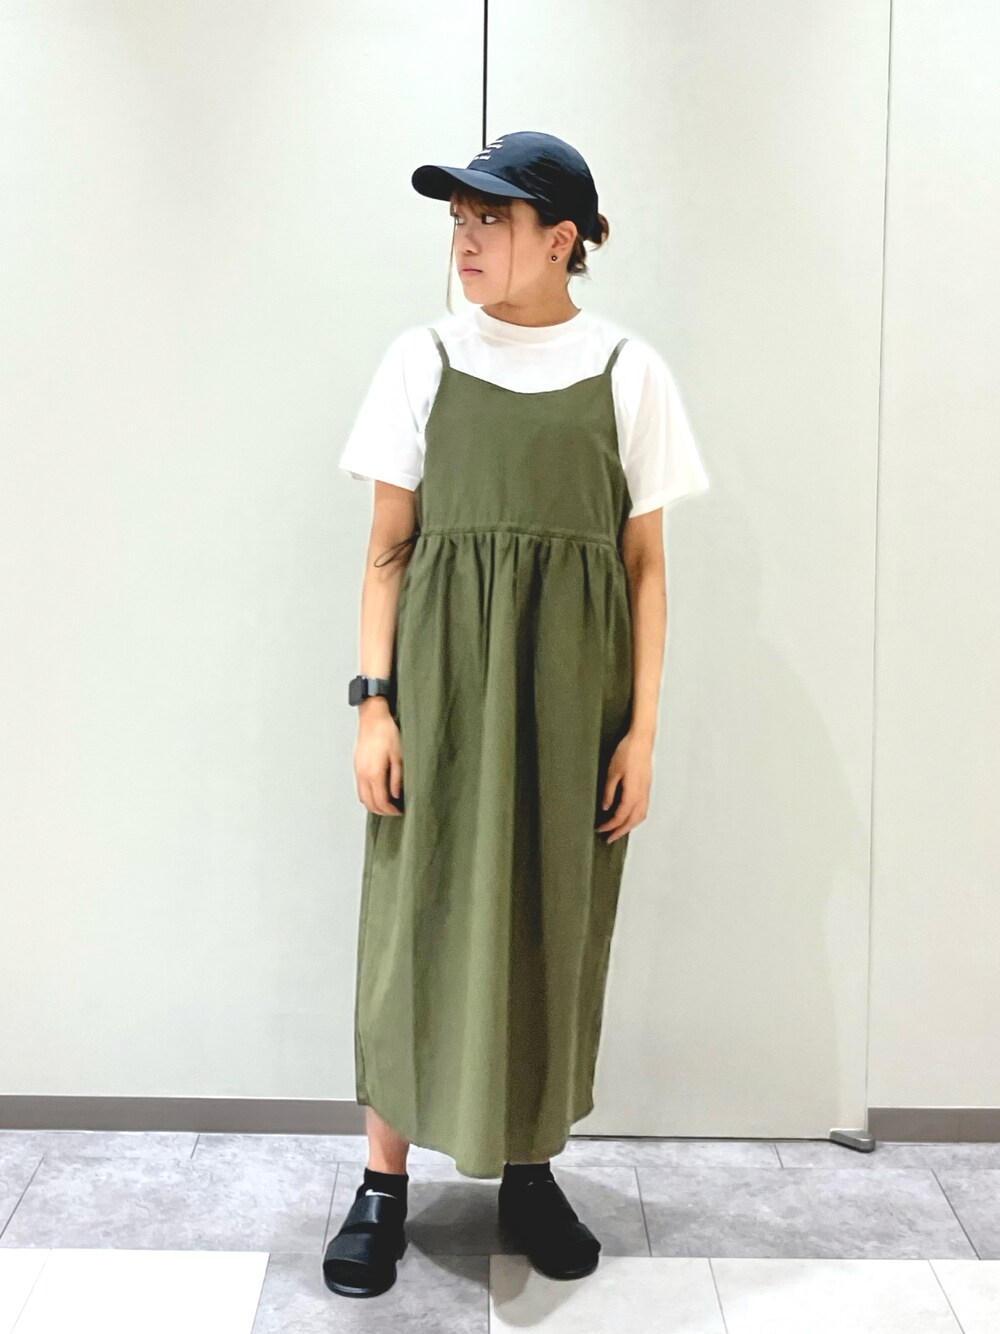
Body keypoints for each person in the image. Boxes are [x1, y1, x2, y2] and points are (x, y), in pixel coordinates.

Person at [323, 130, 709, 1299]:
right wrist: (373, 705)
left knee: (552, 921)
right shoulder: (422, 359)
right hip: (439, 692)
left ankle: (531, 1169)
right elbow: (387, 549)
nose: (466, 238)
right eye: (457, 218)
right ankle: (381, 1182)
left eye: (491, 217)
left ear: (562, 238)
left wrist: (641, 731)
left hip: (571, 698)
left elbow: (645, 565)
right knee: (414, 921)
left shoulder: (629, 371)